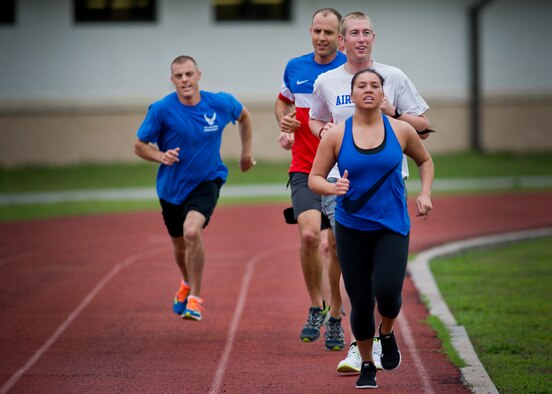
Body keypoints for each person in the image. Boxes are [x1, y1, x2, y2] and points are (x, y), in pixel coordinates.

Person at [309, 11, 434, 373]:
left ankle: (377, 335)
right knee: (352, 272)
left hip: (390, 183)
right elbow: (315, 118)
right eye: (354, 33)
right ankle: (360, 347)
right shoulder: (327, 81)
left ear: (373, 38)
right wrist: (324, 136)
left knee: (384, 283)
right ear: (341, 40)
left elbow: (424, 126)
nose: (360, 39)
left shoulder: (392, 76)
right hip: (342, 185)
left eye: (367, 33)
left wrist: (393, 111)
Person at [134, 55, 255, 322]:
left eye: (189, 74)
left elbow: (244, 116)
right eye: (179, 76)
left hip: (207, 180)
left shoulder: (219, 103)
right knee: (179, 247)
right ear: (172, 80)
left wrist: (246, 153)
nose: (185, 80)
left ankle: (195, 299)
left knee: (191, 232)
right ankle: (186, 282)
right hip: (171, 188)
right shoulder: (162, 109)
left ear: (198, 74)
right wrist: (160, 156)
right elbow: (139, 145)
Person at [275, 8, 347, 349]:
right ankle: (315, 305)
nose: (321, 38)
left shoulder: (352, 70)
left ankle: (335, 314)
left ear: (340, 37)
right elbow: (282, 103)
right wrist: (285, 123)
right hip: (303, 166)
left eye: (328, 33)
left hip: (340, 170)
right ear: (311, 31)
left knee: (334, 246)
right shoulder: (295, 67)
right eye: (317, 31)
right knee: (308, 237)